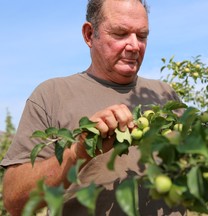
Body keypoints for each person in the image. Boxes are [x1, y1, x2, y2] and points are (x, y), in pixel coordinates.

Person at [1, 0, 186, 215]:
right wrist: (77, 153)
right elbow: (14, 201)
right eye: (120, 33)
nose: (135, 45)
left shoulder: (164, 94)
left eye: (142, 36)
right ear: (89, 35)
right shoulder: (52, 95)